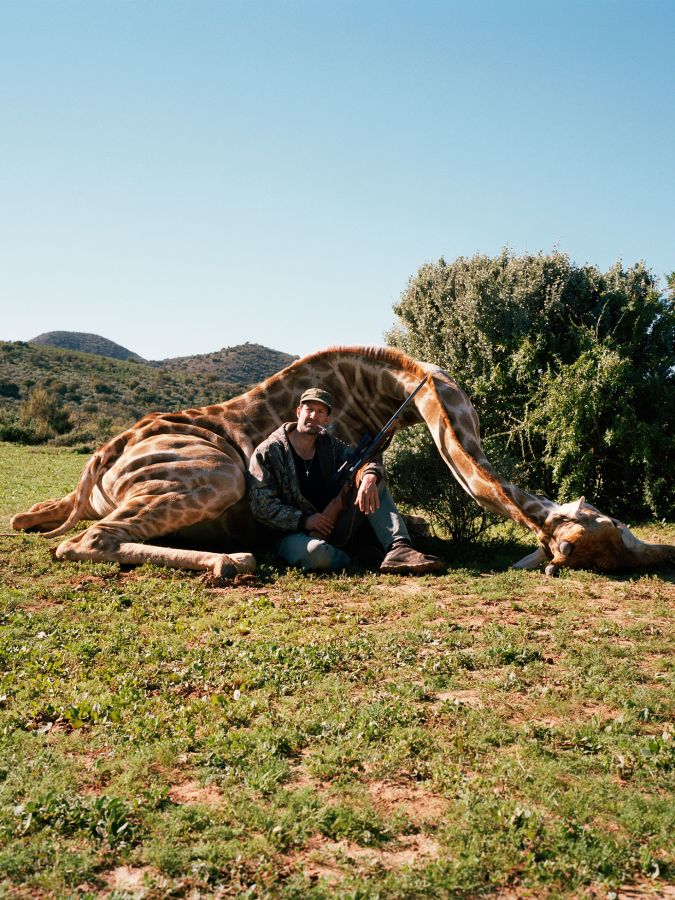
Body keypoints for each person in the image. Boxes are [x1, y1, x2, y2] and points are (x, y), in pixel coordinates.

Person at [248, 387, 442, 574]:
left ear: (327, 419)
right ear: (299, 411)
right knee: (316, 554)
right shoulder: (269, 451)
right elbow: (261, 506)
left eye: (320, 411)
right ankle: (356, 556)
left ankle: (399, 548)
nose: (313, 416)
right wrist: (305, 521)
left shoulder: (329, 444)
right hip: (291, 534)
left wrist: (369, 476)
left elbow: (365, 461)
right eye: (309, 410)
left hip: (334, 525)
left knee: (372, 482)